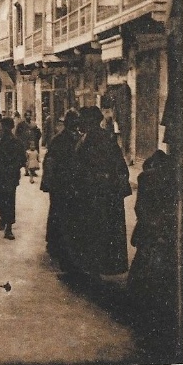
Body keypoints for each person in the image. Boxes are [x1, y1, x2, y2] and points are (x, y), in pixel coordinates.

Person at [68, 106, 132, 278]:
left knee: (96, 230)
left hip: (96, 193)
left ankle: (94, 268)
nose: (79, 122)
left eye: (82, 119)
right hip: (97, 192)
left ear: (90, 121)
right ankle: (96, 266)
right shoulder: (97, 138)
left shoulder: (95, 140)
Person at [127, 150, 180, 349]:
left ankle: (140, 309)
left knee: (144, 269)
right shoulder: (165, 178)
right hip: (161, 231)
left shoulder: (146, 179)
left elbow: (140, 208)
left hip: (150, 231)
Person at [40, 109, 80, 266]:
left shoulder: (60, 139)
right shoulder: (65, 140)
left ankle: (56, 243)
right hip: (63, 182)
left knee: (59, 212)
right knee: (59, 212)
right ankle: (56, 243)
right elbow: (50, 162)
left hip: (64, 182)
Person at [0, 117, 26, 240]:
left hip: (1, 175)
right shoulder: (15, 141)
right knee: (7, 199)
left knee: (2, 198)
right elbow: (23, 159)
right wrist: (15, 167)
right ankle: (5, 221)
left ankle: (7, 225)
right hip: (9, 175)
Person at [15, 111, 42, 175]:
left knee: (33, 157)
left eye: (29, 115)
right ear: (25, 117)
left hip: (32, 143)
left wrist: (36, 139)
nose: (28, 117)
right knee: (26, 157)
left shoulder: (34, 124)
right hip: (24, 143)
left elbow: (38, 133)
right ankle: (27, 170)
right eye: (27, 115)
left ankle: (33, 171)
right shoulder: (21, 124)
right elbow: (17, 133)